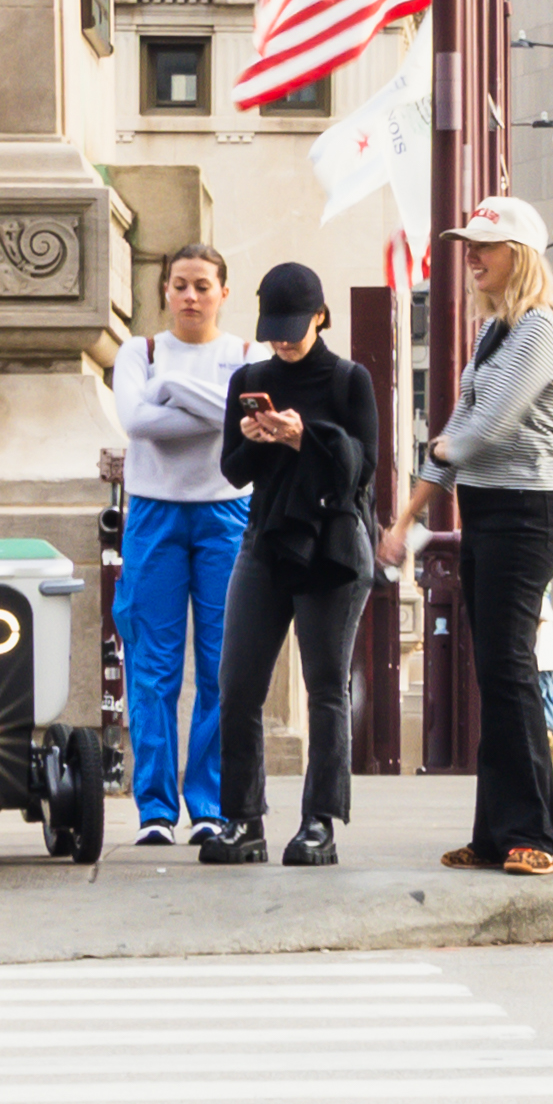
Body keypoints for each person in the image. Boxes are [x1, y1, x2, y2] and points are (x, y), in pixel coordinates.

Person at [403, 199, 553, 876]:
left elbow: (487, 427)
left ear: (520, 254)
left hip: (527, 510)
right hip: (487, 508)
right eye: (468, 245)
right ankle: (495, 834)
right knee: (494, 673)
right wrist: (409, 512)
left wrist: (446, 449)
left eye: (485, 245)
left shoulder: (542, 327)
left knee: (509, 669)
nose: (471, 256)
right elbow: (458, 424)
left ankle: (539, 834)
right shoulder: (493, 333)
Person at [205, 263, 376, 870]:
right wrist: (256, 439)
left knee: (326, 687)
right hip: (265, 540)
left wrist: (306, 437)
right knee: (237, 686)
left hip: (330, 547)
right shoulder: (250, 379)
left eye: (293, 328)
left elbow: (363, 468)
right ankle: (242, 820)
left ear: (320, 317)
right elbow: (233, 470)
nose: (282, 340)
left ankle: (319, 823)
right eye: (273, 329)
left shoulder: (349, 379)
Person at [109, 244, 251, 846]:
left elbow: (245, 422)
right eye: (180, 285)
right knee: (152, 667)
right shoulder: (138, 352)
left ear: (224, 292)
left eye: (203, 285)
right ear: (164, 290)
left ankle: (210, 805)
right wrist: (218, 412)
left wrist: (168, 390)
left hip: (227, 513)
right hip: (154, 513)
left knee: (223, 667)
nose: (191, 296)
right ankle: (156, 809)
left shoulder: (247, 354)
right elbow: (137, 423)